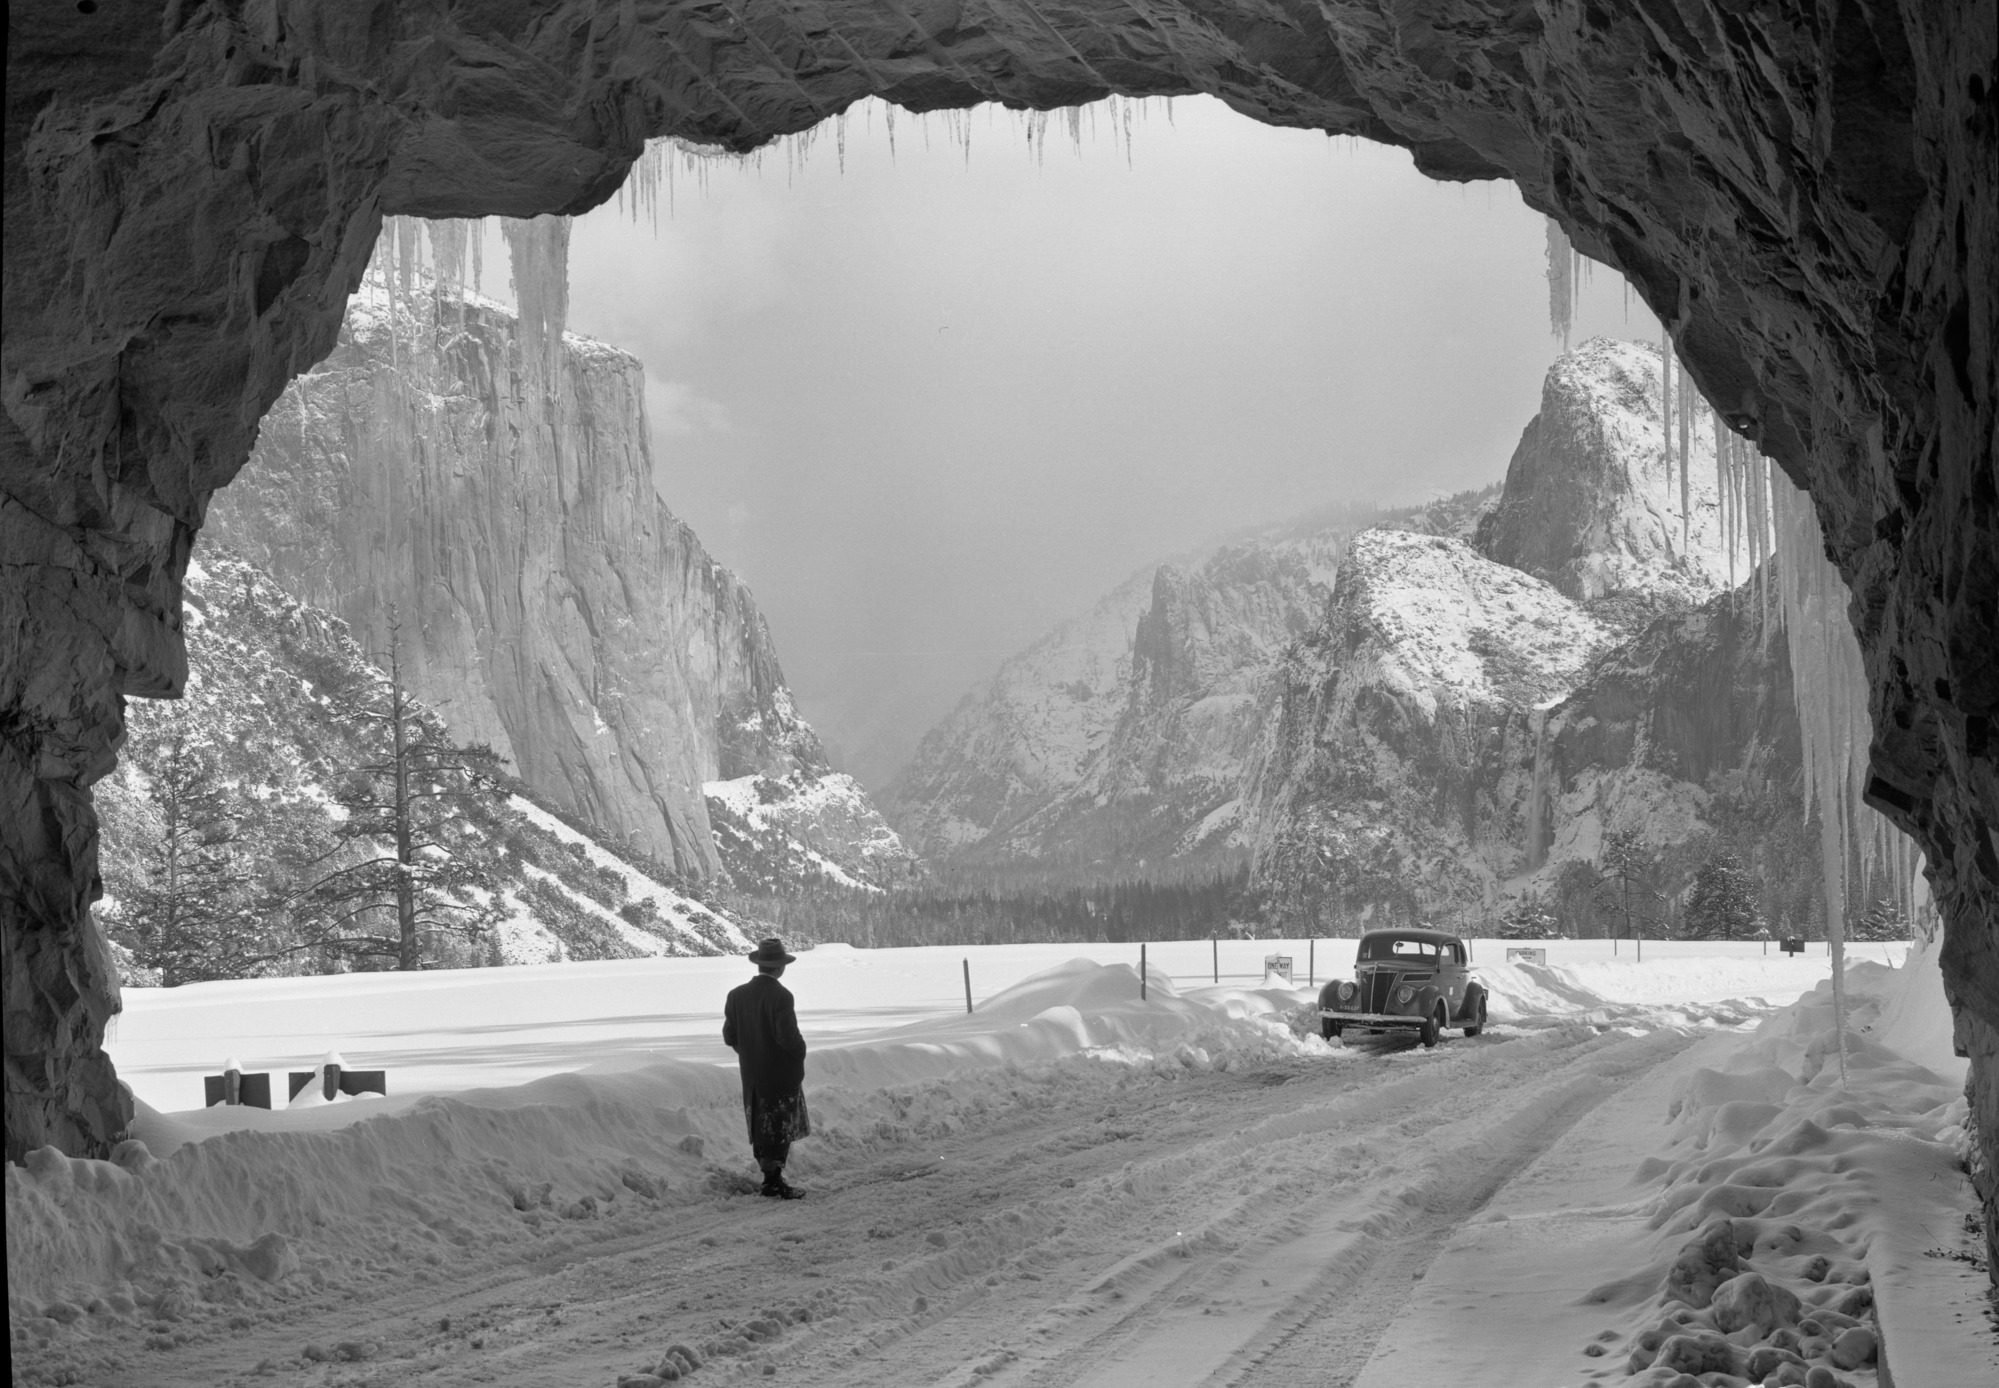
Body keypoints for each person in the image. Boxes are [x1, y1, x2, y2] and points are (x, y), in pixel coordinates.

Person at [722, 937, 810, 1199]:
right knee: (780, 1125)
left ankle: (769, 1178)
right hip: (780, 1074)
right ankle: (773, 1180)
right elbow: (788, 1038)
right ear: (780, 967)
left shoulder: (736, 995)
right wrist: (800, 1052)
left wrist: (749, 1053)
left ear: (759, 964)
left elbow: (729, 1036)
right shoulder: (781, 996)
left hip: (752, 1074)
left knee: (761, 1124)